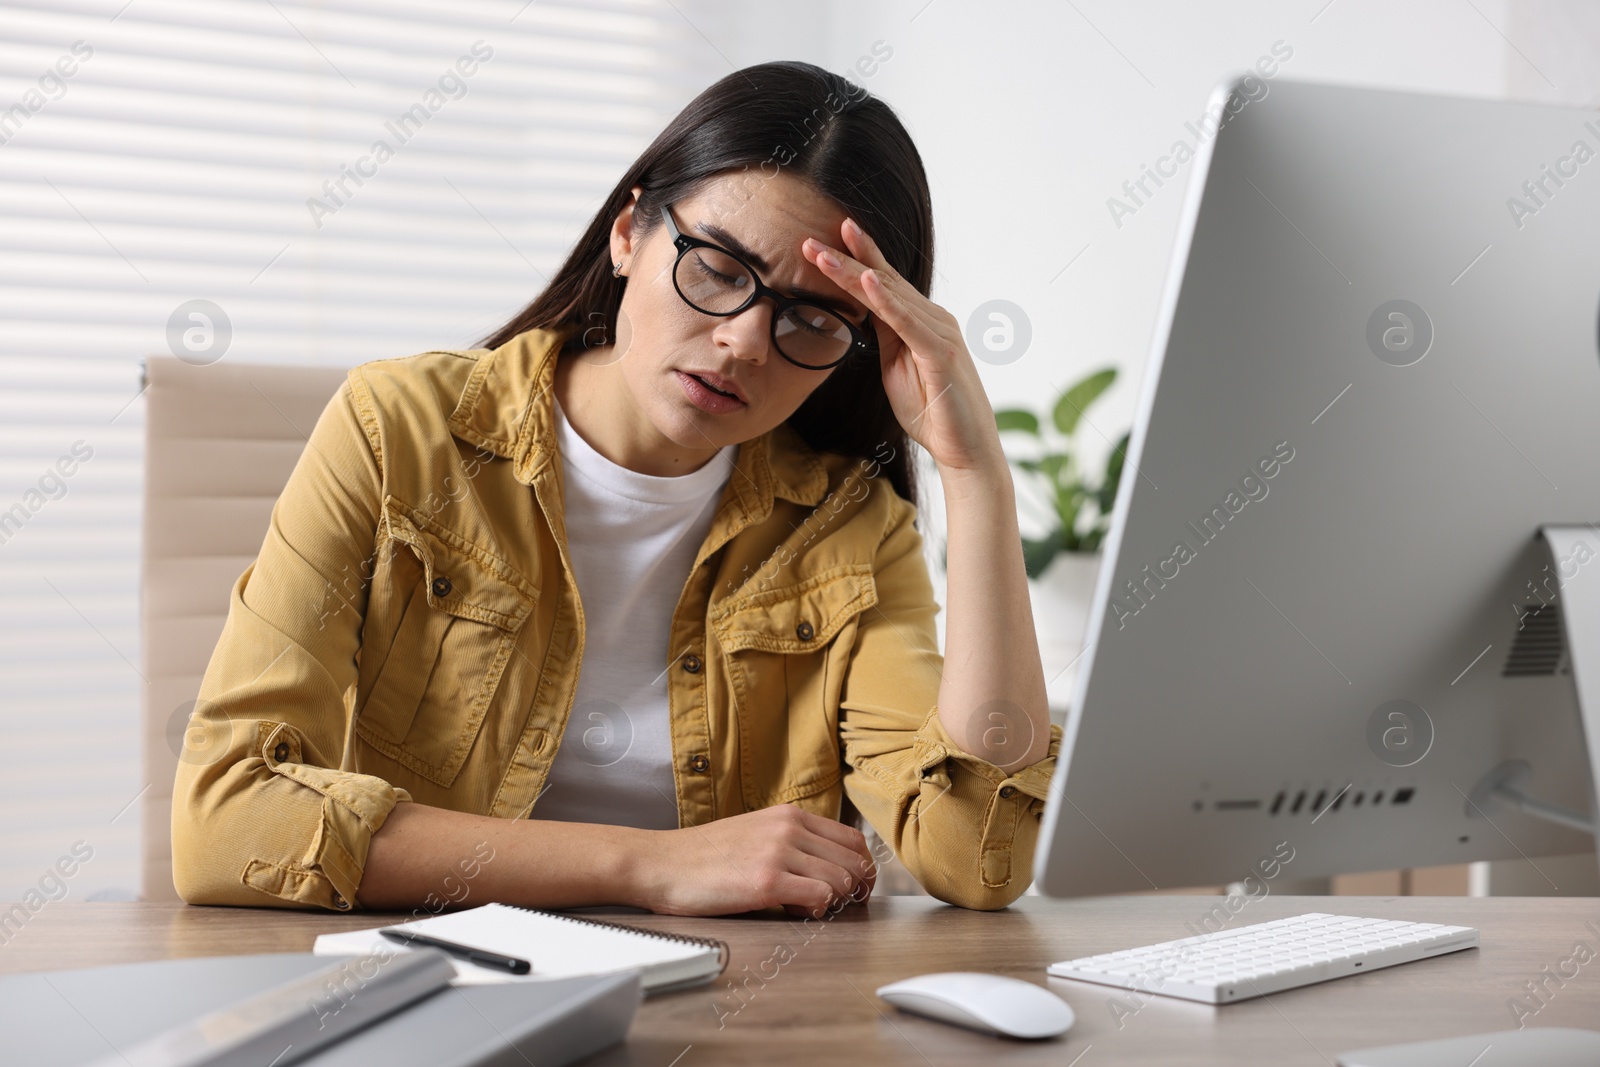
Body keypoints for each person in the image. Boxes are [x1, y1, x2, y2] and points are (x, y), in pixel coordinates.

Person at [171, 60, 1060, 919]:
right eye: (716, 267)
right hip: (434, 987)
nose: (747, 342)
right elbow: (228, 819)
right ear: (629, 231)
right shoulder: (396, 430)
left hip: (730, 1008)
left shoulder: (845, 525)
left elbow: (976, 854)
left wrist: (977, 479)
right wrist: (649, 865)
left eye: (812, 316)